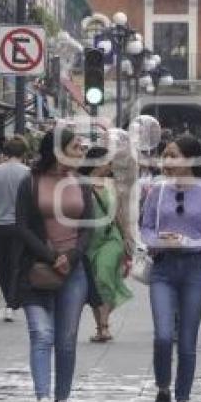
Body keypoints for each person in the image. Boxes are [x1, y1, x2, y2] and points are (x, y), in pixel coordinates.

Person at [141, 135, 201, 402]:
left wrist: (187, 243)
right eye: (165, 155)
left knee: (188, 342)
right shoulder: (157, 191)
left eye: (173, 155)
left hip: (194, 271)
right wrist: (158, 241)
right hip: (163, 270)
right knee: (163, 336)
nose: (167, 160)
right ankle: (163, 393)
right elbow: (147, 228)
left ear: (190, 159)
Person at [12, 129, 92, 402]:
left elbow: (88, 228)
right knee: (41, 333)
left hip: (73, 272)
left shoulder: (81, 183)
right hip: (36, 268)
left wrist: (70, 257)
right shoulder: (30, 181)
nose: (80, 150)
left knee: (66, 341)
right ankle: (43, 398)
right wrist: (50, 257)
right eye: (75, 146)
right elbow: (22, 226)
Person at [78, 147, 133, 344]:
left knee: (103, 274)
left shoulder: (112, 185)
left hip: (111, 237)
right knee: (96, 284)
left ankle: (104, 325)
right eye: (107, 162)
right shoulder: (80, 184)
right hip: (89, 240)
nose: (110, 166)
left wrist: (127, 236)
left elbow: (119, 213)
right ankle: (101, 326)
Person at [0, 136, 30, 322]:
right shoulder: (29, 173)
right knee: (18, 265)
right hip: (21, 226)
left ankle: (9, 302)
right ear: (24, 153)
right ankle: (12, 303)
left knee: (2, 266)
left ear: (5, 152)